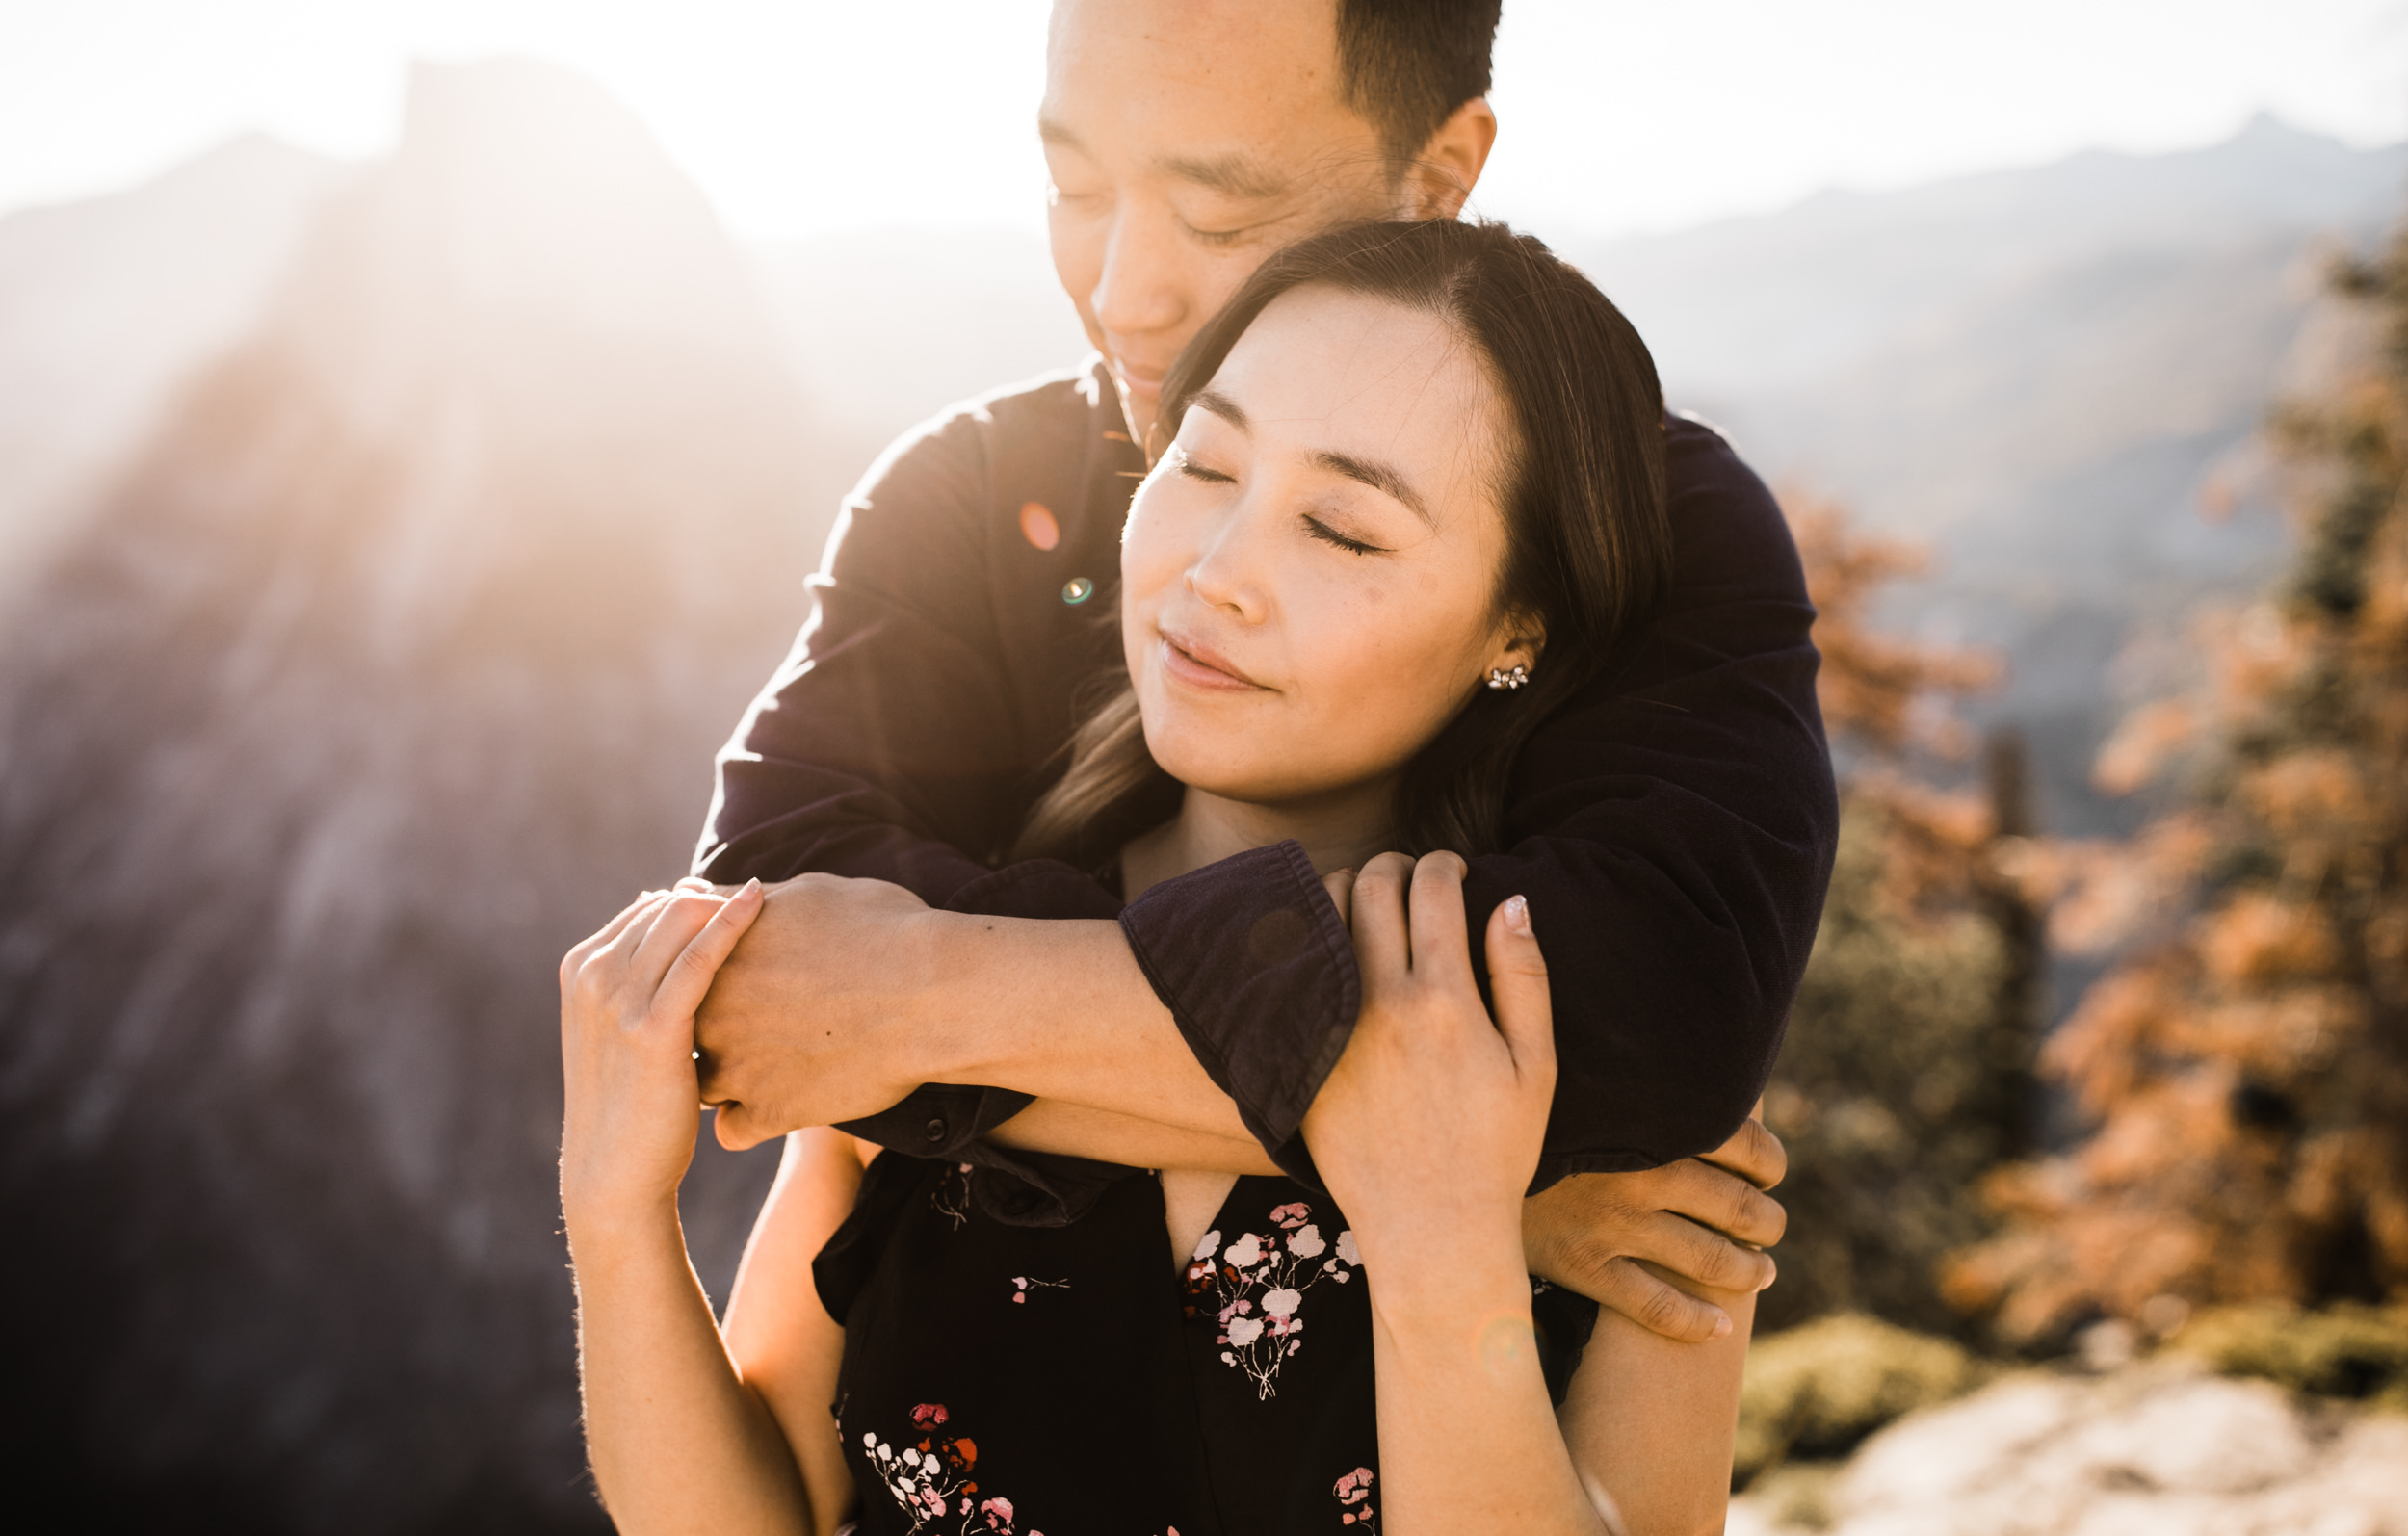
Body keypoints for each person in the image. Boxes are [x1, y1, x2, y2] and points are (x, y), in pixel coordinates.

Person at [564, 218, 1761, 1536]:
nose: (1216, 571)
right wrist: (615, 1215)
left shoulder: (1599, 1096)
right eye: (1205, 462)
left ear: (1520, 631)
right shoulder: (910, 976)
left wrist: (1447, 1249)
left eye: (1342, 526)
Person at [683, 0, 1829, 1342]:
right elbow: (758, 981)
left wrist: (925, 991)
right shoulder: (969, 493)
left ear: (1443, 172)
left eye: (1222, 216)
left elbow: (1653, 1011)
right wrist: (1448, 1179)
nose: (1122, 293)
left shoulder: (1631, 514)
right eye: (1075, 186)